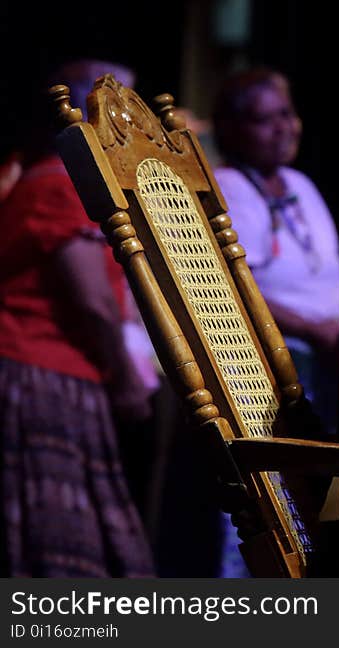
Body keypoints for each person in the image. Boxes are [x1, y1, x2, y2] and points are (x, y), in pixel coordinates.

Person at [0, 59, 154, 577]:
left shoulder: (53, 181)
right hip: (42, 373)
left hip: (63, 373)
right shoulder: (59, 184)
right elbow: (90, 299)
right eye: (117, 106)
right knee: (57, 547)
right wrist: (126, 377)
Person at [211, 67, 339, 576]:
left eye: (287, 114)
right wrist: (312, 328)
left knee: (311, 497)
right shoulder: (224, 187)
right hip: (260, 369)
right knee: (264, 496)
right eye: (266, 120)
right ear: (231, 129)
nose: (285, 127)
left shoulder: (300, 184)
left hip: (324, 364)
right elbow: (225, 283)